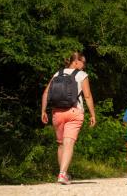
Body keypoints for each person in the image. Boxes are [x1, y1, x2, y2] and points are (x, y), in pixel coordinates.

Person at [41, 52, 96, 185]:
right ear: (76, 62)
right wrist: (93, 114)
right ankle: (62, 174)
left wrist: (43, 110)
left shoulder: (57, 73)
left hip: (57, 113)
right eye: (83, 62)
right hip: (74, 112)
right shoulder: (82, 75)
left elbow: (46, 92)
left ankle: (62, 173)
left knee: (61, 144)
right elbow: (87, 96)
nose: (84, 65)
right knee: (69, 143)